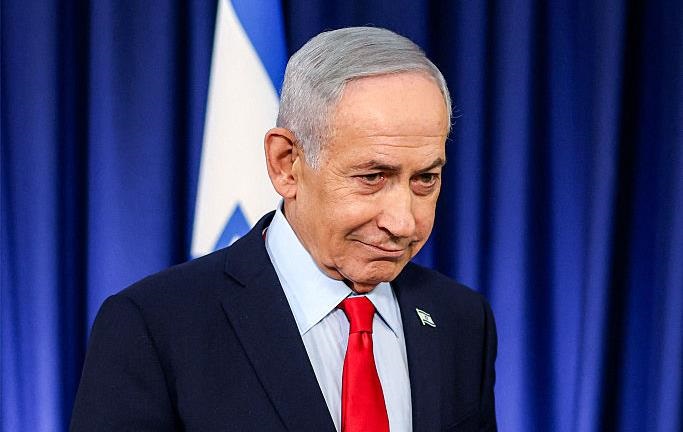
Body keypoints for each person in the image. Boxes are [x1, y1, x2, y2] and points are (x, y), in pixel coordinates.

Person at [71, 26, 497, 431]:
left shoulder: (461, 320)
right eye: (372, 177)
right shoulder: (153, 327)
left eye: (425, 179)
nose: (403, 222)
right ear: (286, 164)